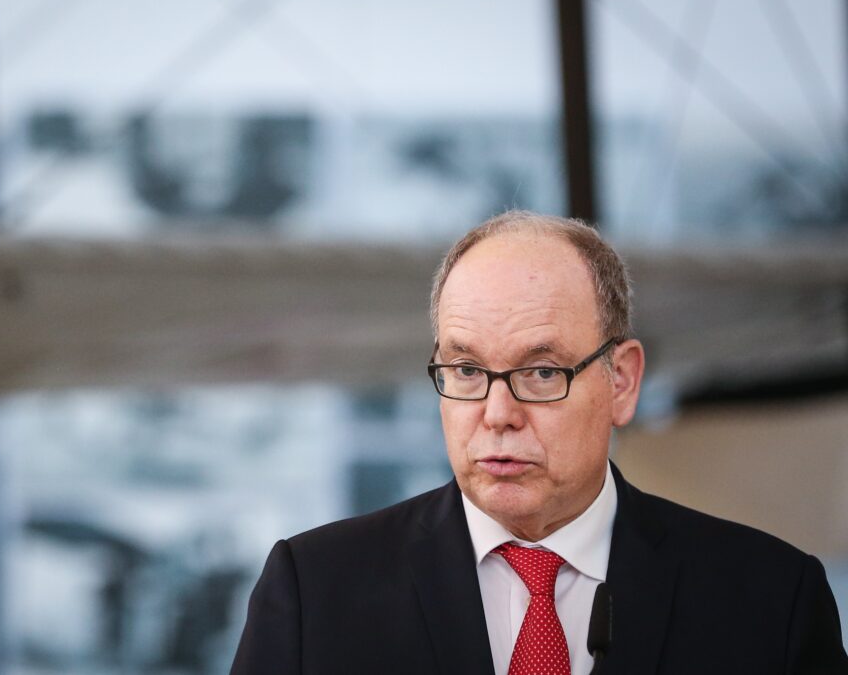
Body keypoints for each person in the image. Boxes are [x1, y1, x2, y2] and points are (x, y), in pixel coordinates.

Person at [230, 211, 848, 675]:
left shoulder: (771, 599)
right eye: (468, 371)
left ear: (622, 381)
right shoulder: (316, 592)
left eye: (542, 372)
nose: (498, 415)